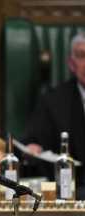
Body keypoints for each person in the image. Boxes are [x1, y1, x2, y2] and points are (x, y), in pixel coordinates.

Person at [24, 32, 85, 191]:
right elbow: (33, 140)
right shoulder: (53, 101)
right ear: (72, 63)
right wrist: (33, 147)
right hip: (69, 190)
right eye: (81, 55)